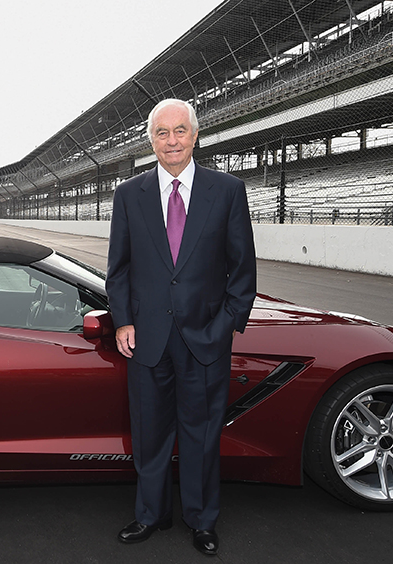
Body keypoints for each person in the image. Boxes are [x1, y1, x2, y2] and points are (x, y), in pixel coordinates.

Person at [106, 98, 256, 556]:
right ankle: (150, 515)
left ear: (195, 135)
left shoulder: (227, 191)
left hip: (205, 340)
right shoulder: (128, 194)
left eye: (179, 131)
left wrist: (225, 325)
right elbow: (119, 269)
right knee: (149, 434)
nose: (171, 141)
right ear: (150, 140)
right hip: (146, 341)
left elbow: (243, 270)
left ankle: (201, 519)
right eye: (161, 133)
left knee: (202, 435)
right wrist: (123, 321)